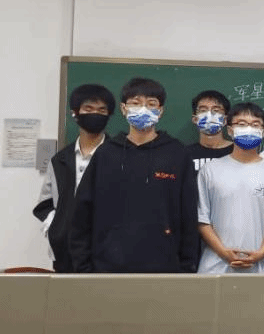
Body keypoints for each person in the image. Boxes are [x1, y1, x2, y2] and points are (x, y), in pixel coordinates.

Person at [70, 77, 197, 273]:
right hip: (107, 268)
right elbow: (82, 214)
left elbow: (188, 215)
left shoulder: (178, 154)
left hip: (164, 268)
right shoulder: (105, 154)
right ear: (123, 109)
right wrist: (84, 268)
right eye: (136, 103)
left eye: (151, 104)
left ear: (161, 110)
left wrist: (187, 268)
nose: (143, 109)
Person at [33, 84, 115, 273]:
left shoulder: (119, 156)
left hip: (107, 251)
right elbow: (45, 203)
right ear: (75, 113)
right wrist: (56, 228)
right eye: (88, 109)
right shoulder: (60, 160)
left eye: (101, 110)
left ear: (109, 115)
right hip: (65, 252)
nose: (95, 114)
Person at [197, 102, 264, 274]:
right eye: (241, 124)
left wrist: (261, 253)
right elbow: (202, 219)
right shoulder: (210, 170)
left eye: (255, 124)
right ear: (230, 130)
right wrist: (223, 252)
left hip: (259, 267)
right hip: (215, 267)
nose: (248, 129)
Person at [186, 90, 233, 172]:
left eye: (216, 110)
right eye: (203, 110)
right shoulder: (184, 154)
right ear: (195, 119)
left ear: (225, 120)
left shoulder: (239, 152)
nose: (209, 114)